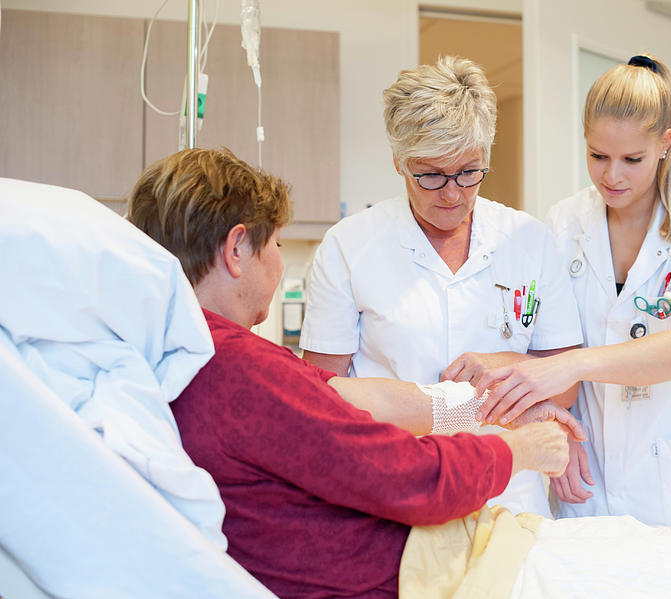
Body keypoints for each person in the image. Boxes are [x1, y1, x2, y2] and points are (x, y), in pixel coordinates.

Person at [125, 147, 575, 599]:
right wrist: (519, 449)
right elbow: (413, 479)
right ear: (237, 248)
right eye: (277, 244)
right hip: (409, 568)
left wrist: (492, 406)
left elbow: (349, 396)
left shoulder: (187, 350)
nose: (279, 263)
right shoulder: (238, 371)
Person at [300, 56, 584, 517]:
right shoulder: (349, 246)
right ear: (398, 161)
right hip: (392, 493)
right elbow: (322, 397)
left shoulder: (529, 241)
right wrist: (466, 404)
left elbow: (566, 385)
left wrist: (506, 364)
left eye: (469, 172)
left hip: (509, 496)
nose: (452, 194)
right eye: (430, 175)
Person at [469, 54, 671, 529]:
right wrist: (554, 421)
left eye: (631, 160)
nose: (611, 176)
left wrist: (572, 365)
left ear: (666, 143)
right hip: (586, 472)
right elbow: (545, 342)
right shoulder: (562, 224)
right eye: (598, 156)